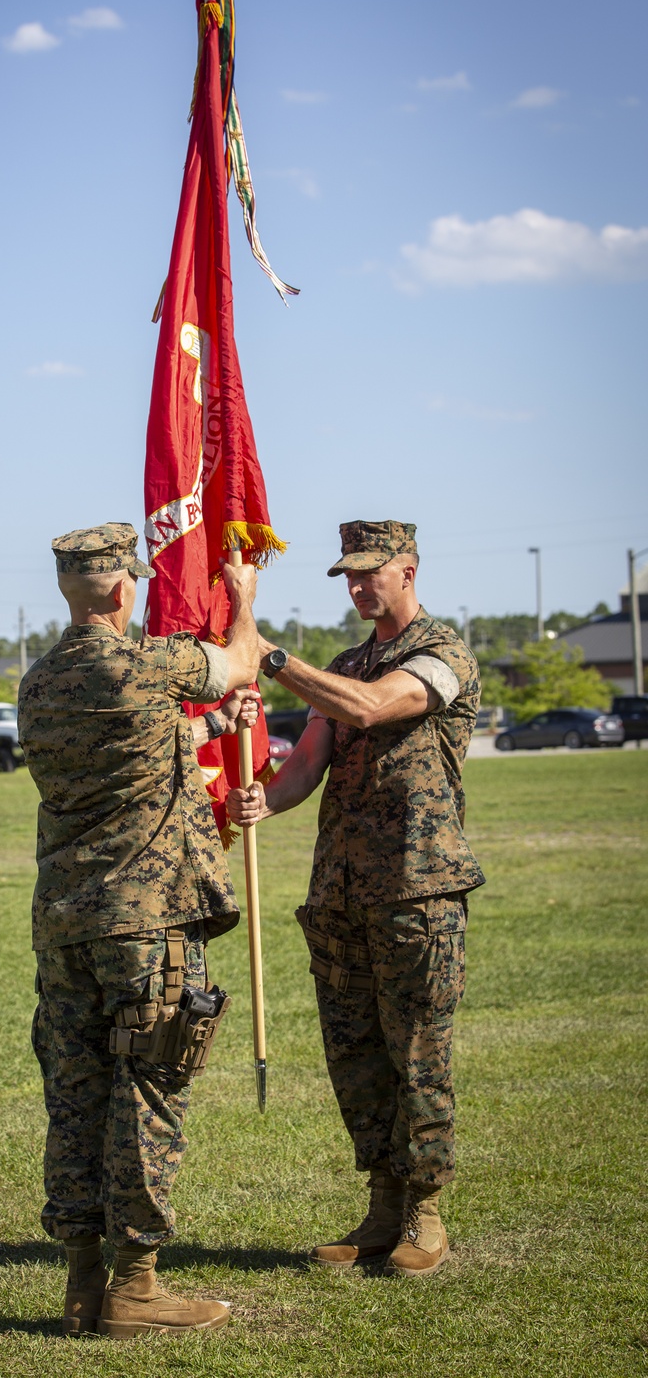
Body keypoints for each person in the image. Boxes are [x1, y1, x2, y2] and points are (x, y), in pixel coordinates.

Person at [17, 523, 260, 1338]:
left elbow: (142, 748)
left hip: (66, 928)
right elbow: (240, 660)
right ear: (125, 590)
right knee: (148, 1093)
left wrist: (217, 730)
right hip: (145, 927)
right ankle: (138, 1286)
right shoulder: (144, 663)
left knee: (75, 1100)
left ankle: (83, 1286)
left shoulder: (39, 683)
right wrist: (245, 600)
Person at [227, 520, 484, 1277]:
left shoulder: (442, 655)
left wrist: (271, 657)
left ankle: (424, 1211)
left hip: (416, 891)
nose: (357, 586)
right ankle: (381, 1206)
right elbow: (307, 766)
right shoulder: (346, 660)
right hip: (339, 894)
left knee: (416, 1056)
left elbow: (370, 709)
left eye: (371, 572)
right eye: (347, 575)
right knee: (357, 1058)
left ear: (408, 569)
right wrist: (262, 801)